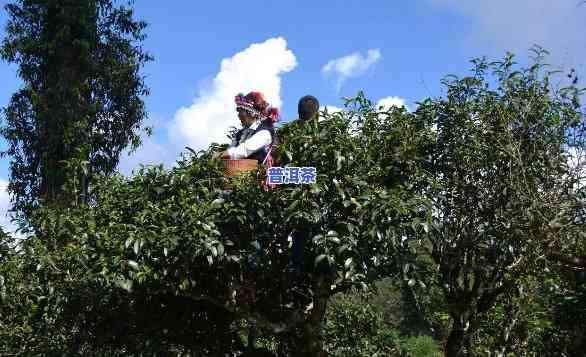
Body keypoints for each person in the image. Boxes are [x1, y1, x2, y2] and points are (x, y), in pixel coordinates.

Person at [220, 91, 278, 166]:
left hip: (260, 175)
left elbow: (243, 151)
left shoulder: (264, 132)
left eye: (241, 111)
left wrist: (219, 155)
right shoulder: (240, 134)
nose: (239, 115)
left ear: (252, 113)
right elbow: (231, 150)